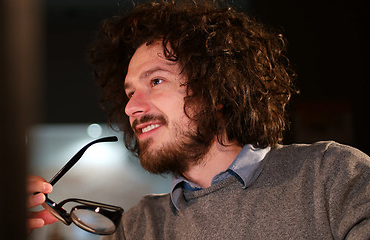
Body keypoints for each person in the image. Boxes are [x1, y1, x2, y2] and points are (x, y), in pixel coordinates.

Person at [27, 0, 370, 238]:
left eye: (156, 81)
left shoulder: (332, 177)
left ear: (218, 89)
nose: (132, 107)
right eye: (130, 92)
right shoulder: (138, 227)